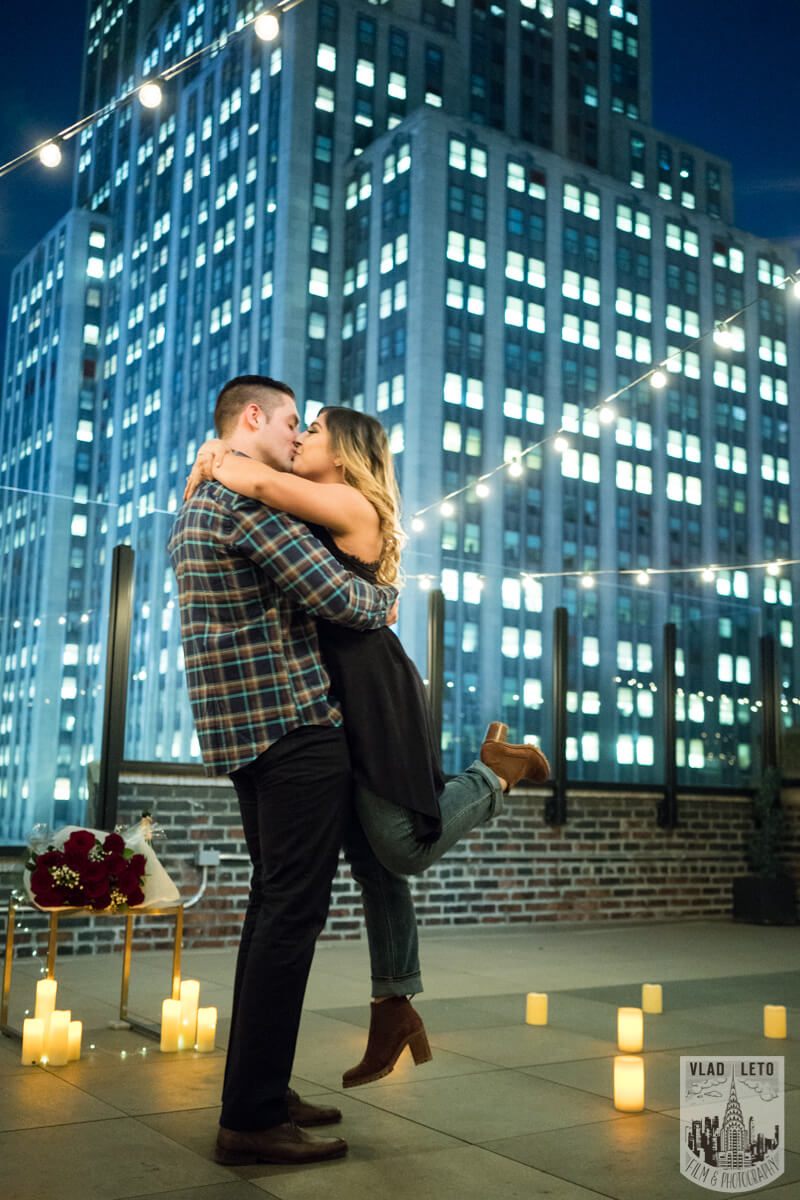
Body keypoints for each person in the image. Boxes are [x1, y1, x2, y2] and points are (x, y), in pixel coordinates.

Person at [185, 405, 550, 1085]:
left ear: (347, 453)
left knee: (398, 849)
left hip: (372, 689)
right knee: (369, 864)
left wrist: (217, 457)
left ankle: (496, 773)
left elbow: (260, 487)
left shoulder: (349, 501)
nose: (300, 438)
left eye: (313, 431)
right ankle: (393, 1003)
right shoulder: (314, 509)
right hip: (332, 698)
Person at [169, 376, 420, 1166]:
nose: (292, 437)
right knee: (289, 921)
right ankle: (249, 1117)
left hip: (244, 739)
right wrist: (389, 600)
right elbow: (347, 602)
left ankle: (262, 1091)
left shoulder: (199, 504)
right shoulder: (245, 507)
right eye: (288, 423)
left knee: (269, 915)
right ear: (254, 417)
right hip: (297, 731)